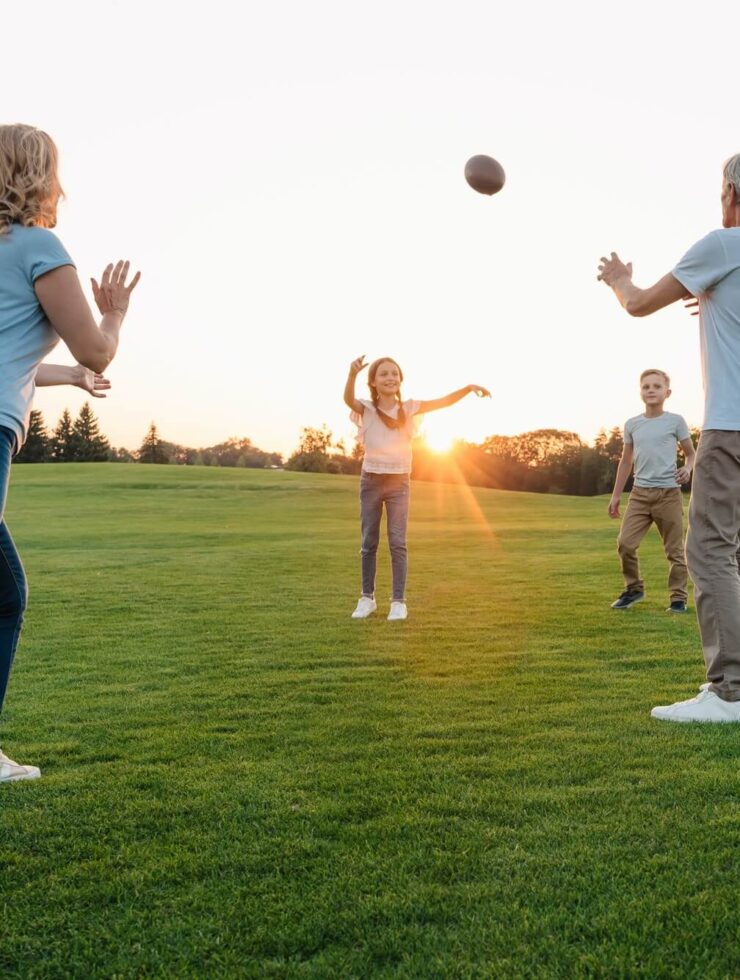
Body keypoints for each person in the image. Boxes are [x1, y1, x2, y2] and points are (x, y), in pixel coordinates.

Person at [0, 123, 140, 782]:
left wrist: (70, 379)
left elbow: (15, 355)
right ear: (36, 175)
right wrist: (112, 314)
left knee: (3, 592)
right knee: (4, 597)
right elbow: (96, 348)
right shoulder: (37, 246)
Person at [597, 153, 740, 722]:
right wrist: (710, 298)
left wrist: (618, 278)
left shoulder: (723, 244)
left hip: (731, 428)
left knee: (710, 551)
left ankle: (730, 692)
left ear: (730, 189)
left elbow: (637, 304)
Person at [344, 355, 490, 621]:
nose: (390, 378)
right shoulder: (366, 408)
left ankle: (398, 602)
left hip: (399, 482)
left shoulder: (409, 408)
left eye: (394, 374)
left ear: (400, 380)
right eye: (384, 374)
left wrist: (468, 388)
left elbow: (443, 402)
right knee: (369, 542)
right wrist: (352, 374)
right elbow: (348, 400)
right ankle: (367, 598)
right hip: (371, 481)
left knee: (398, 542)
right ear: (374, 382)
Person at [608, 369, 695, 613]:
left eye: (656, 386)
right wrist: (616, 495)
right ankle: (634, 589)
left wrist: (688, 469)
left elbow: (691, 454)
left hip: (668, 494)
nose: (651, 390)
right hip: (639, 495)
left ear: (667, 392)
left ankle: (678, 599)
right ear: (640, 392)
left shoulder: (675, 421)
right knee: (625, 544)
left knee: (675, 551)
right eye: (646, 386)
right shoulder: (632, 424)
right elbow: (626, 462)